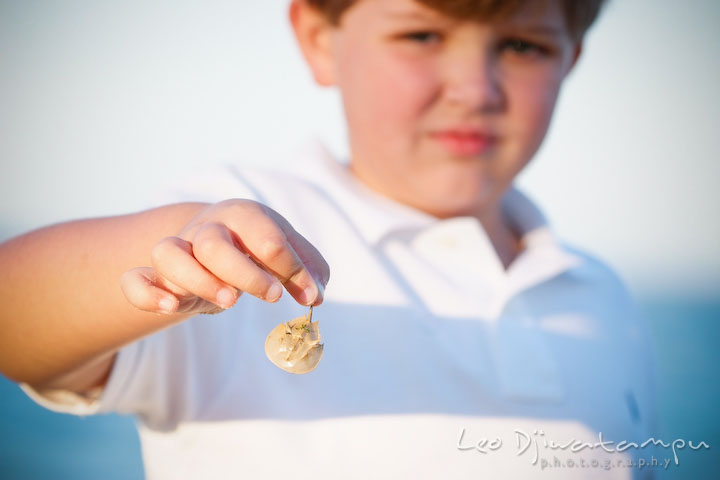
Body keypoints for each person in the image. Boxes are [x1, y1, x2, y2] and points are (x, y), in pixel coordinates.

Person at [0, 0, 657, 478]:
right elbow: (14, 316)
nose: (474, 89)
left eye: (523, 46)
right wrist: (170, 250)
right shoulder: (239, 232)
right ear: (319, 39)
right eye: (422, 33)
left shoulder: (601, 296)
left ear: (570, 57)